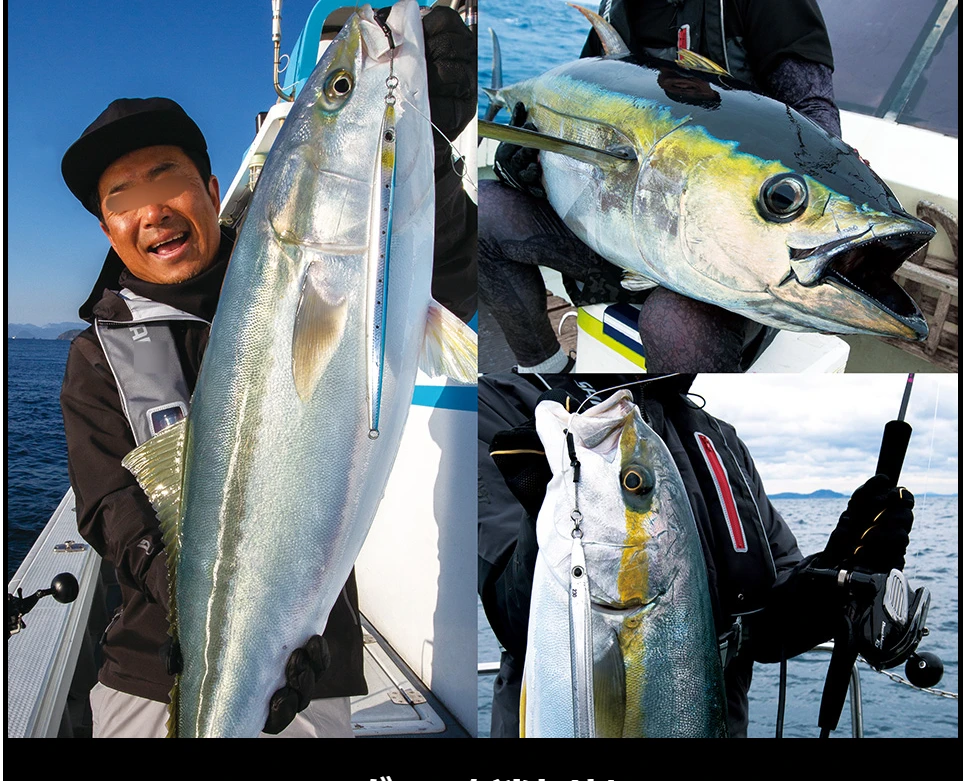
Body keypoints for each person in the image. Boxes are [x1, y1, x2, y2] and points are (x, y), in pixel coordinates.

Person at [59, 5, 477, 738]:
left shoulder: (295, 268)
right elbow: (111, 508)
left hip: (312, 660)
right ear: (107, 229)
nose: (152, 210)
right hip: (147, 671)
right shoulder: (96, 357)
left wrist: (429, 148)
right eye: (122, 198)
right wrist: (208, 621)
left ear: (211, 188)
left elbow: (451, 276)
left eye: (166, 178)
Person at [478, 373, 915, 737]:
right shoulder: (502, 400)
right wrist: (549, 505)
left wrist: (834, 578)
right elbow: (511, 618)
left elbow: (767, 630)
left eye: (634, 481)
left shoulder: (720, 439)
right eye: (634, 482)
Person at [479, 0, 842, 373]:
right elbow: (585, 98)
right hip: (614, 232)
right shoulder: (617, 7)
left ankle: (673, 406)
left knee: (677, 326)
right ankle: (545, 371)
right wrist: (522, 162)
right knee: (483, 211)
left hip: (726, 253)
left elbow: (814, 125)